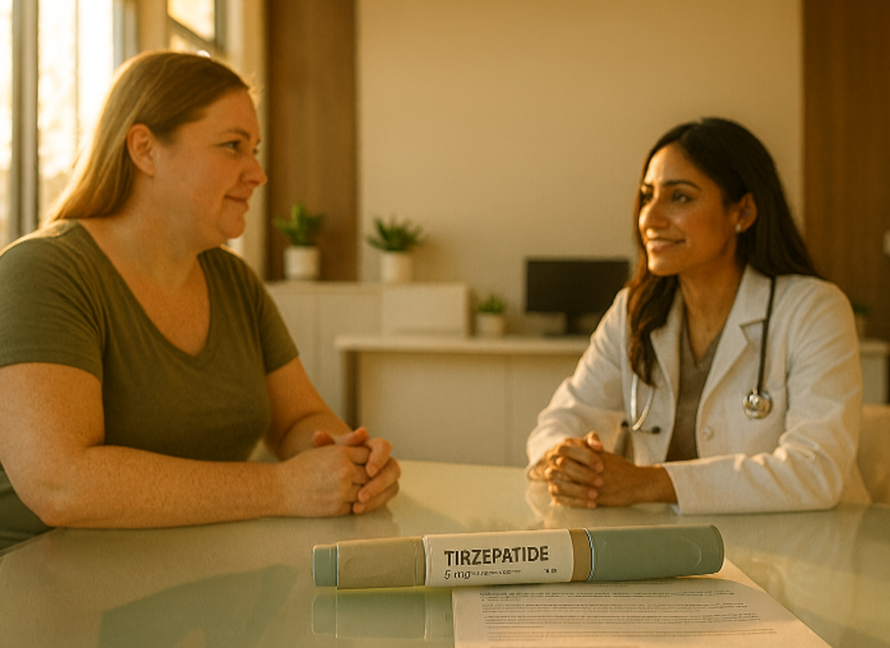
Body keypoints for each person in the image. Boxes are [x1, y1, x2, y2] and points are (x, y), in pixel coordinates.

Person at [0, 50, 400, 549]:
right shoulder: (42, 272)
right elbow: (62, 485)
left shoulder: (234, 281)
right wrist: (280, 487)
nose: (258, 174)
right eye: (233, 146)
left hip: (195, 581)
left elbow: (299, 420)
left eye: (254, 149)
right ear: (145, 149)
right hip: (42, 599)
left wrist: (348, 460)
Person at [527, 117, 869, 515]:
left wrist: (650, 481)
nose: (650, 219)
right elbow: (565, 416)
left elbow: (816, 471)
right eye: (647, 195)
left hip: (803, 554)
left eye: (681, 197)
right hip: (671, 552)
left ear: (742, 212)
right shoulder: (636, 309)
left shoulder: (813, 310)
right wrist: (564, 459)